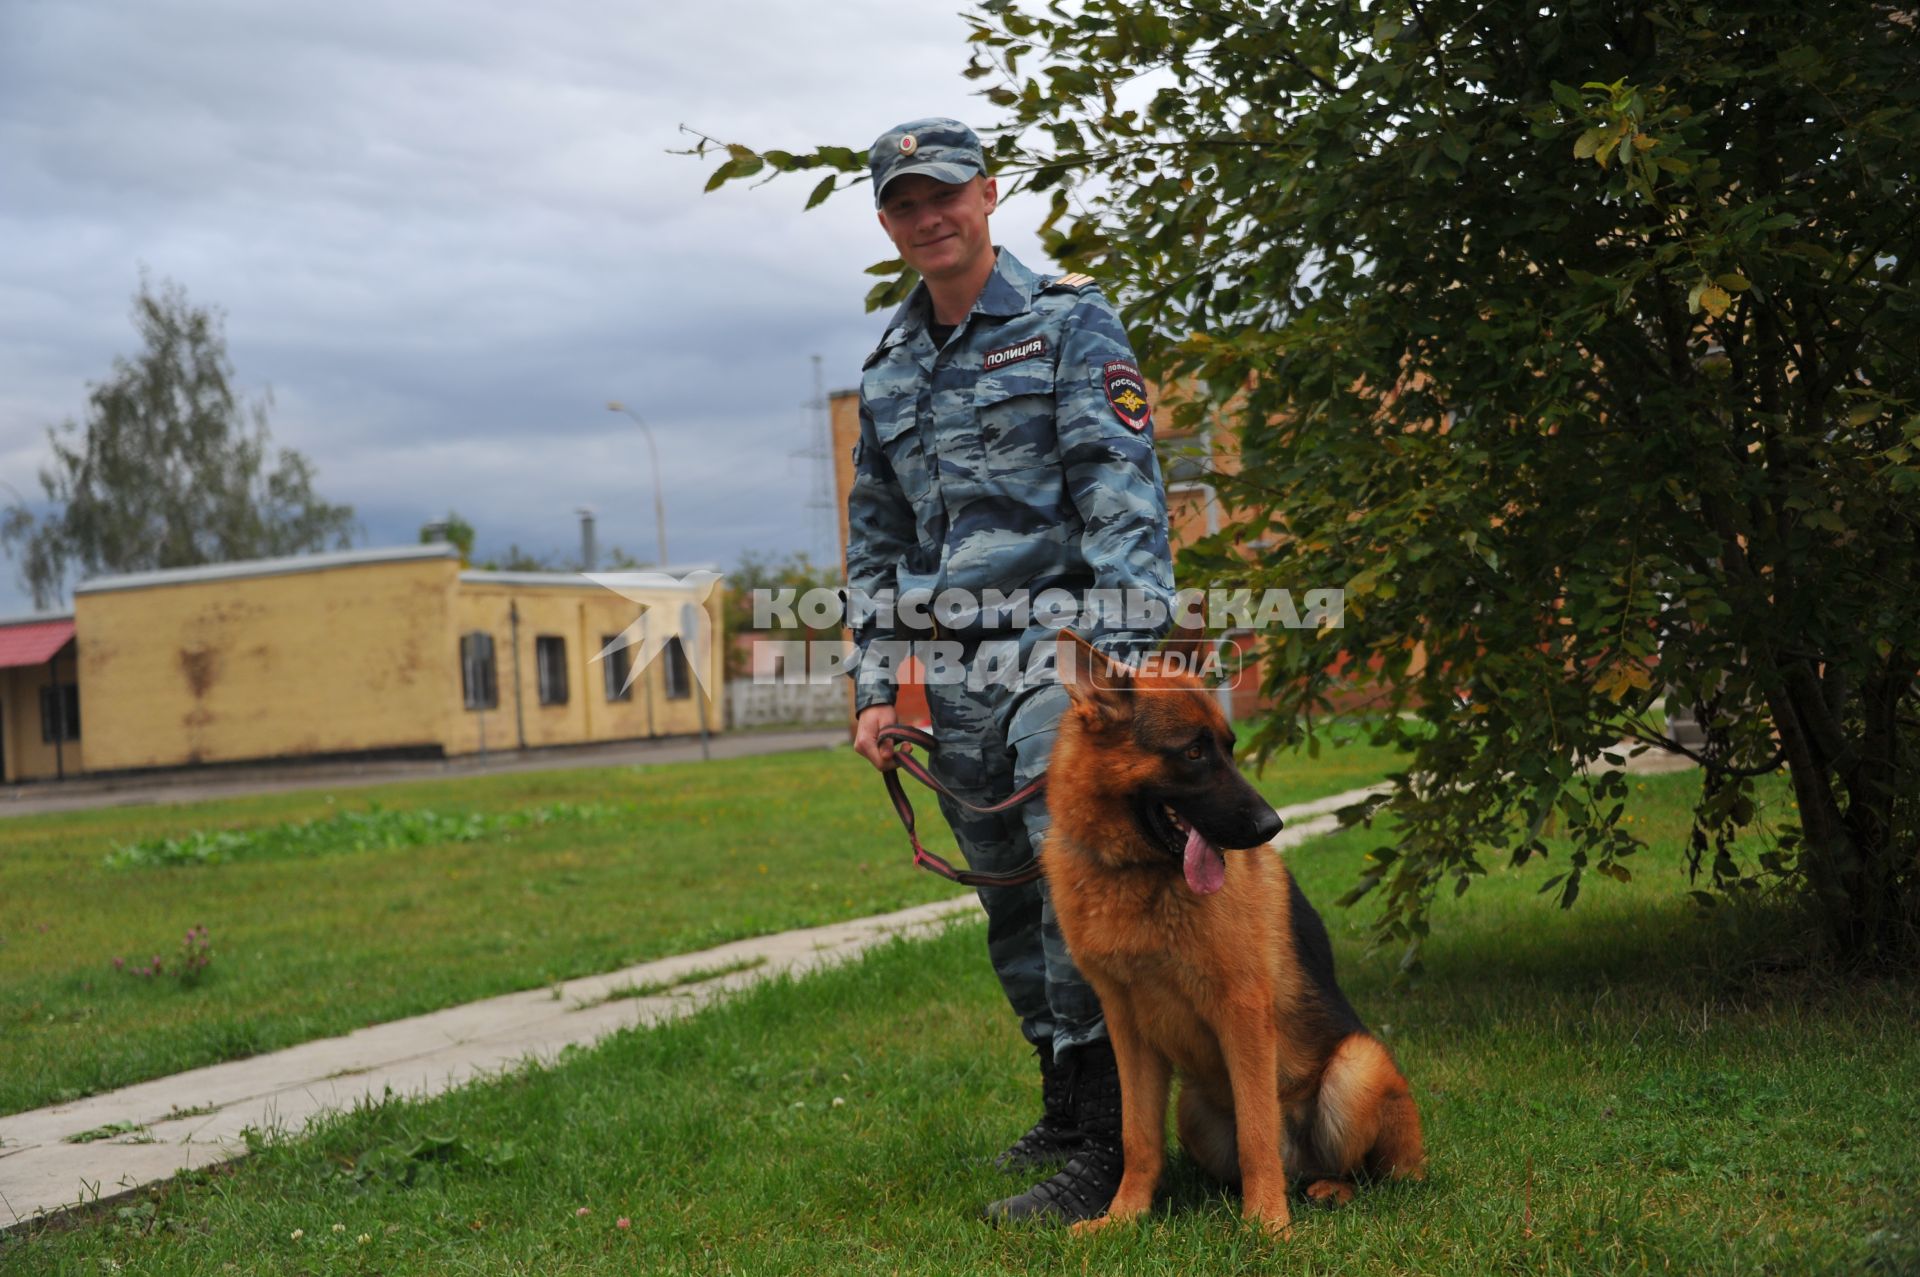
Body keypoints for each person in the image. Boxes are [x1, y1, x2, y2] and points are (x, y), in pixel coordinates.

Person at [844, 117, 1175, 1224]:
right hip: (954, 666)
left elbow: (1124, 497)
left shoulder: (1066, 320)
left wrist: (1114, 681)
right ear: (887, 221)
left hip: (1064, 655)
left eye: (945, 193)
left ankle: (1108, 1135)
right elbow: (876, 542)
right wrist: (877, 686)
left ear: (989, 194)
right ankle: (1060, 1094)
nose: (928, 216)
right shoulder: (887, 368)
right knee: (1003, 890)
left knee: (1071, 881)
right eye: (904, 203)